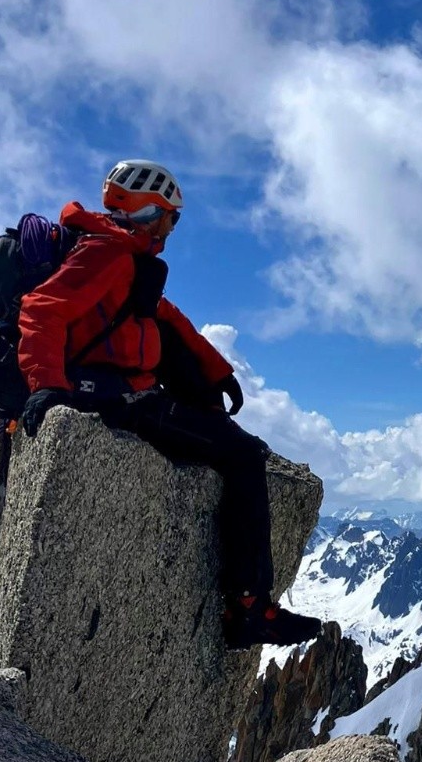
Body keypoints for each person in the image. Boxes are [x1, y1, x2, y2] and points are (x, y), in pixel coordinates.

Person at [17, 158, 322, 651]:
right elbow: (41, 310)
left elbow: (166, 317)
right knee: (243, 455)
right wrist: (46, 385)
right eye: (172, 216)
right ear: (151, 210)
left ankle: (250, 605)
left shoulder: (121, 252)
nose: (172, 227)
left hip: (121, 390)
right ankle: (250, 609)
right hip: (117, 400)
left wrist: (218, 371)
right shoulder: (108, 253)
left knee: (225, 434)